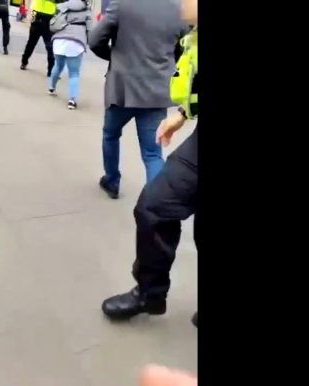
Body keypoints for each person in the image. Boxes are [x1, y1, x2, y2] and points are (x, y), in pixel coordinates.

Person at [100, 0, 199, 327]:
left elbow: (98, 38)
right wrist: (182, 115)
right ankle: (150, 293)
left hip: (126, 87)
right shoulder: (193, 32)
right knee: (154, 206)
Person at [89, 0, 188, 199]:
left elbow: (95, 40)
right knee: (153, 154)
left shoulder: (122, 4)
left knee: (110, 135)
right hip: (157, 91)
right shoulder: (178, 9)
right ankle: (157, 205)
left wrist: (114, 58)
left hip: (122, 89)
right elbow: (182, 50)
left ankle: (112, 181)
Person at [47, 0, 93, 110]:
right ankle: (72, 100)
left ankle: (51, 87)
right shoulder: (87, 11)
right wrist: (90, 43)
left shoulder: (64, 6)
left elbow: (55, 22)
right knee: (74, 73)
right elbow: (90, 29)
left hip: (59, 40)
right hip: (76, 43)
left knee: (58, 66)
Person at [21, 0, 57, 76]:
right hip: (45, 16)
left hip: (41, 15)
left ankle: (24, 62)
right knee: (48, 46)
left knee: (33, 43)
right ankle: (51, 70)